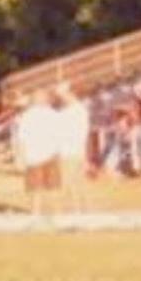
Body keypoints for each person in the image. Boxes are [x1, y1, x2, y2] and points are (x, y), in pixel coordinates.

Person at [14, 90, 60, 214]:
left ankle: (40, 212)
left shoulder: (28, 115)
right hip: (43, 154)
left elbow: (21, 138)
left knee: (40, 187)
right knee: (48, 186)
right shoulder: (52, 114)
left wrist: (20, 157)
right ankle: (51, 212)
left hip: (39, 155)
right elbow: (21, 138)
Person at [53, 82, 89, 210]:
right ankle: (75, 211)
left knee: (72, 183)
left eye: (62, 95)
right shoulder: (65, 111)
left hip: (71, 150)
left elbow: (83, 133)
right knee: (70, 184)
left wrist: (84, 155)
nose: (60, 98)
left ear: (69, 93)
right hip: (67, 150)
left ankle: (76, 211)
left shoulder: (77, 110)